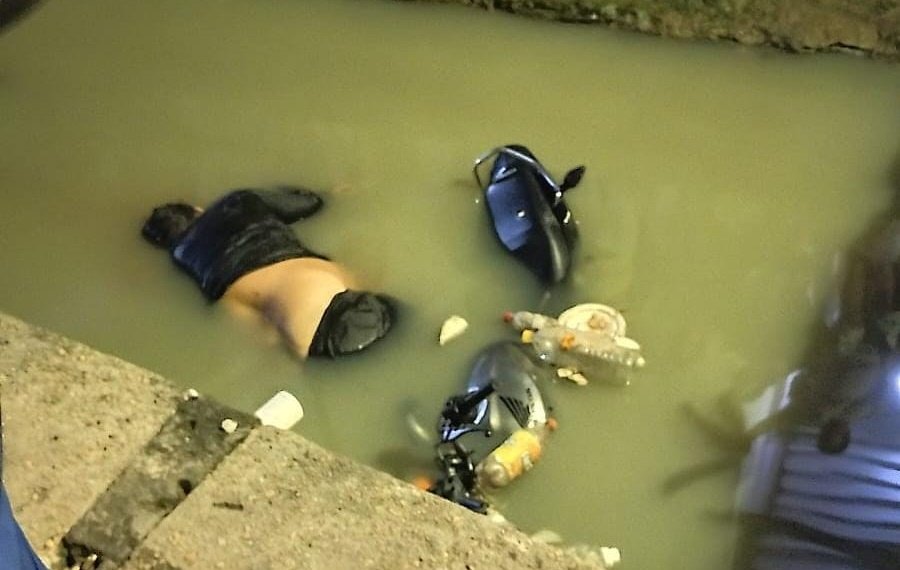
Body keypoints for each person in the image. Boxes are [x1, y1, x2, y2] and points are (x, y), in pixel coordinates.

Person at [141, 186, 395, 358]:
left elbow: (262, 338)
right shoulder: (237, 202)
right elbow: (307, 202)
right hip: (349, 300)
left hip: (309, 341)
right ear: (198, 209)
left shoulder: (189, 262)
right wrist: (330, 194)